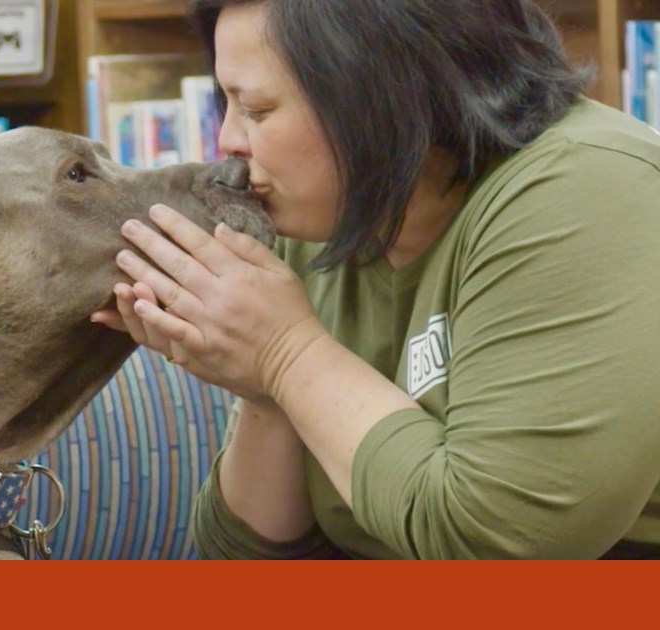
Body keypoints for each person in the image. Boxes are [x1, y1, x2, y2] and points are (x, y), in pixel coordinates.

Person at [91, 0, 660, 559]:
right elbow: (243, 562)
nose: (228, 144)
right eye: (227, 106)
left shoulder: (588, 189)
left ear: (383, 98)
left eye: (258, 110)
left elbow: (499, 544)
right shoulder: (323, 214)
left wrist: (286, 354)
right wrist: (264, 393)